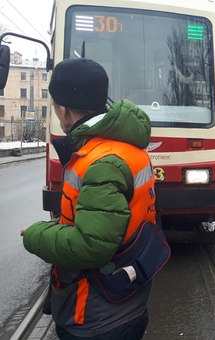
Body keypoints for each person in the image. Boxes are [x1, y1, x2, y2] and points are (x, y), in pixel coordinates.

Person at [21, 58, 160, 339]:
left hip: (98, 316)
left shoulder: (102, 161)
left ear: (64, 110)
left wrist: (36, 235)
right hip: (125, 298)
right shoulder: (123, 147)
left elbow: (92, 246)